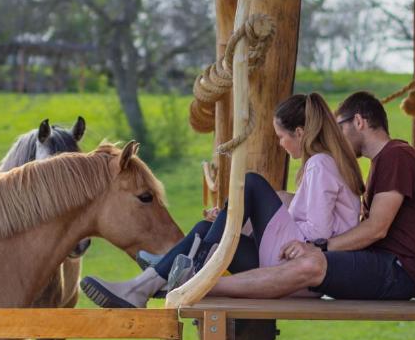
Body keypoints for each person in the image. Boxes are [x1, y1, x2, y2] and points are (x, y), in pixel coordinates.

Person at [81, 92, 364, 309]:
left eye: (281, 137)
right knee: (208, 229)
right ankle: (141, 287)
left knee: (251, 183)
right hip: (294, 264)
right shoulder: (325, 164)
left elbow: (317, 235)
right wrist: (234, 217)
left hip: (302, 270)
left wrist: (242, 217)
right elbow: (307, 216)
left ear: (299, 133)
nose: (280, 144)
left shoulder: (321, 165)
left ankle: (191, 265)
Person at [205, 91, 415, 302]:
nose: (336, 134)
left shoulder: (395, 157)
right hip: (393, 269)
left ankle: (210, 285)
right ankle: (204, 274)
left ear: (359, 121)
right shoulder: (384, 164)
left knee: (312, 263)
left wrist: (320, 247)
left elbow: (377, 228)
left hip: (396, 272)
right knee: (303, 253)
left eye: (340, 126)